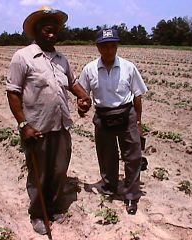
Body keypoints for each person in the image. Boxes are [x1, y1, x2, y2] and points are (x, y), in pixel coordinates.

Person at [6, 7, 91, 235]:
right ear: (36, 30)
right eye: (46, 26)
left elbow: (72, 82)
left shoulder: (61, 58)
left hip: (61, 125)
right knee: (39, 173)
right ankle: (38, 214)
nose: (51, 31)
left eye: (55, 27)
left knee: (59, 169)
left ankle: (52, 207)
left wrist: (83, 96)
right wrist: (24, 124)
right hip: (37, 127)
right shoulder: (22, 57)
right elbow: (13, 92)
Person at [78, 28, 148, 215]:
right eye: (105, 46)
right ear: (98, 47)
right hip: (103, 116)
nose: (109, 50)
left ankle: (132, 195)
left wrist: (139, 123)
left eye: (113, 46)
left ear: (117, 46)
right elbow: (83, 95)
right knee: (107, 155)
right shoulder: (90, 69)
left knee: (132, 157)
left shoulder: (128, 67)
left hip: (127, 115)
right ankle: (110, 186)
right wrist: (83, 105)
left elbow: (137, 96)